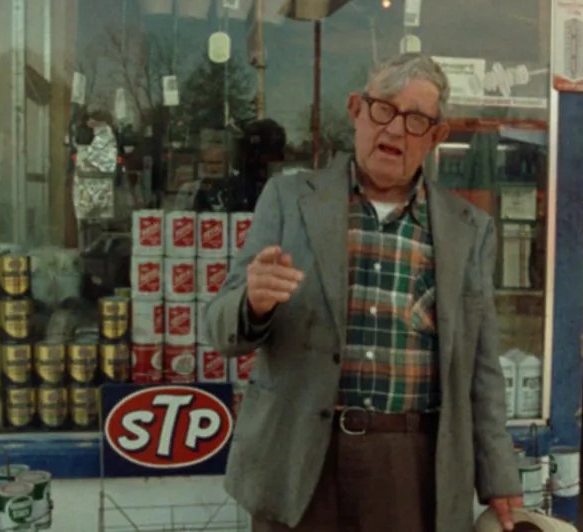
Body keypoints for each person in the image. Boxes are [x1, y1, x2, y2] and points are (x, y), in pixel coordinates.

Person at [203, 52, 523, 532]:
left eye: (416, 120)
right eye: (383, 109)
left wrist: (499, 475)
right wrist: (253, 303)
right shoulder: (289, 200)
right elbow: (221, 330)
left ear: (437, 137)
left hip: (411, 464)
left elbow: (481, 366)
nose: (394, 131)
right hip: (298, 458)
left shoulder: (468, 231)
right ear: (356, 110)